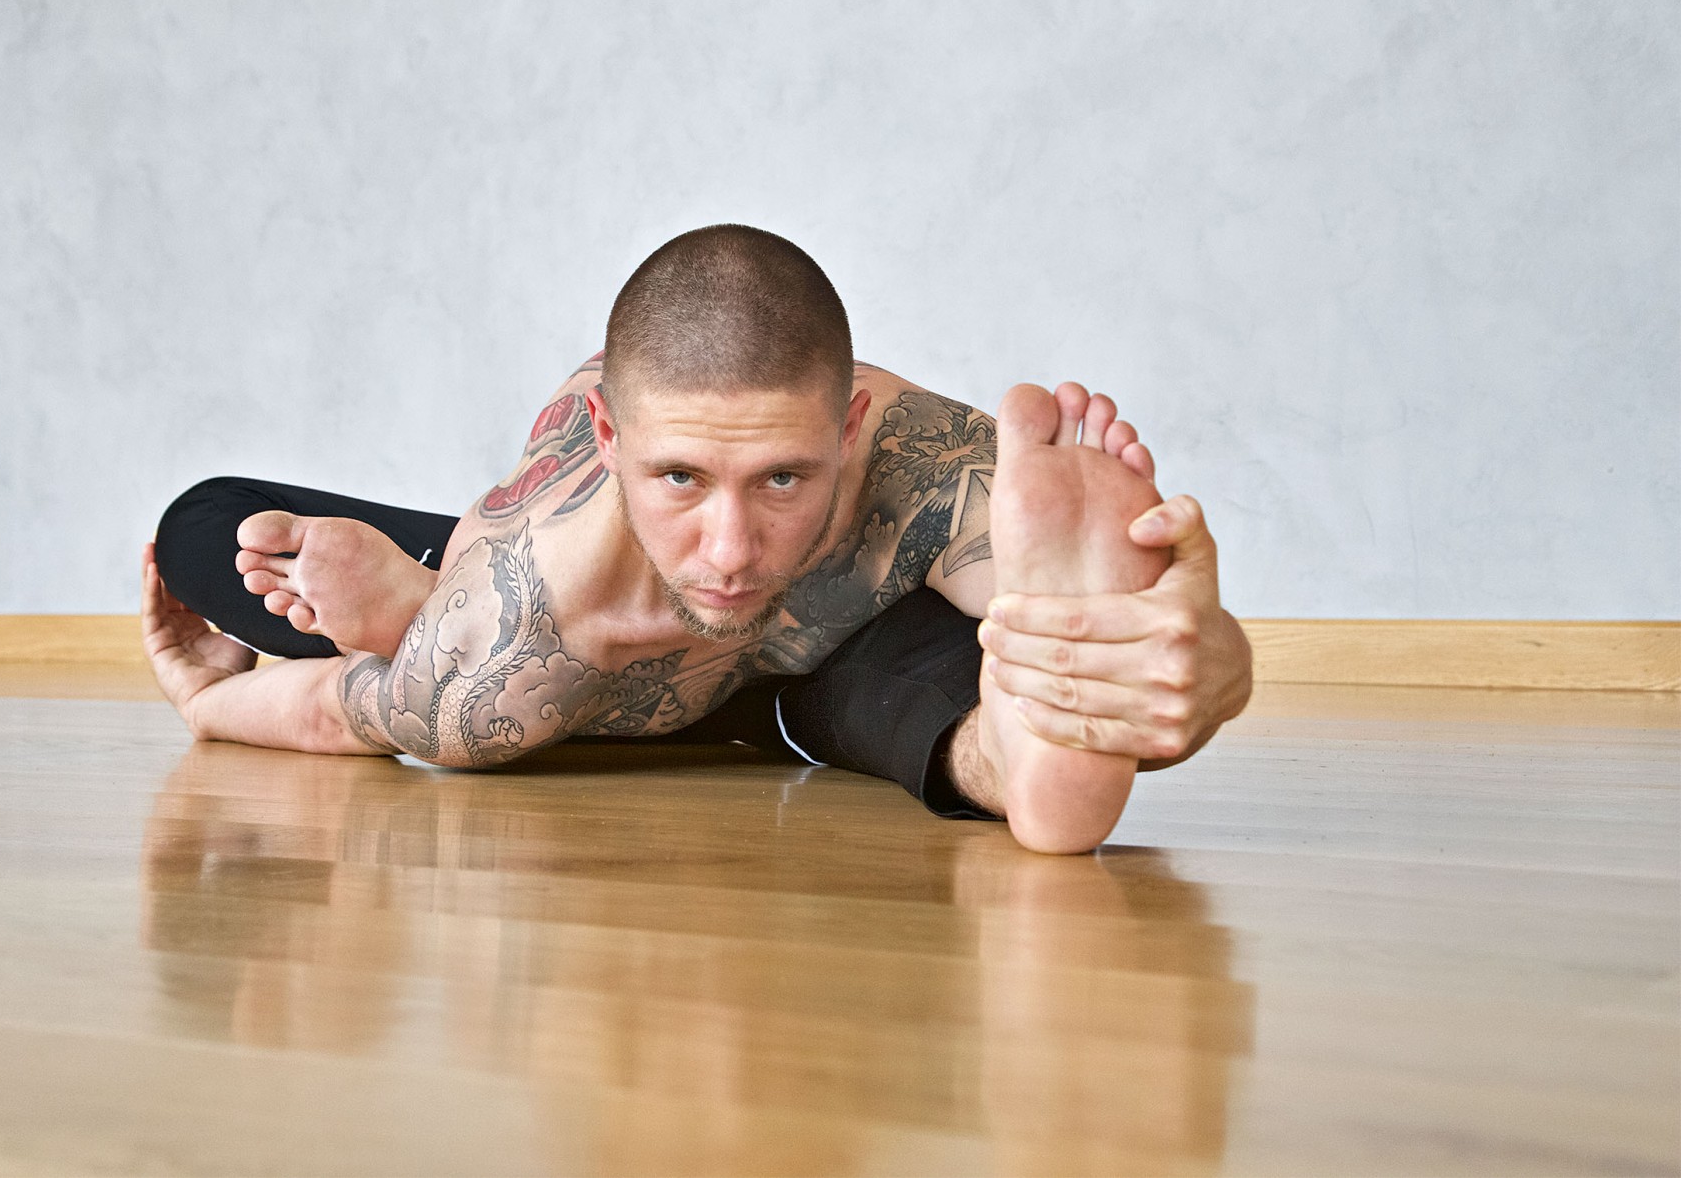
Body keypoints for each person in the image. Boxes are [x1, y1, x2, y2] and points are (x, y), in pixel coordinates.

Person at [141, 225, 1253, 853]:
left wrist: (1210, 660)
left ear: (849, 424)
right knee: (207, 524)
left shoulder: (924, 460)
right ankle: (429, 596)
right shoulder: (515, 625)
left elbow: (1155, 663)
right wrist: (209, 703)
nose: (729, 546)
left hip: (830, 627)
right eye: (681, 477)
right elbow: (341, 713)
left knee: (1009, 644)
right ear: (610, 437)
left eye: (781, 476)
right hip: (588, 626)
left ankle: (1015, 752)